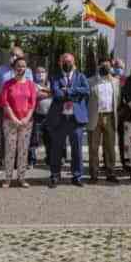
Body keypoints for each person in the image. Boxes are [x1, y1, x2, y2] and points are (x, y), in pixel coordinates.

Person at [47, 53, 90, 188]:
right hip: (59, 119)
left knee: (77, 149)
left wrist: (69, 90)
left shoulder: (81, 76)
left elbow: (86, 91)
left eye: (69, 61)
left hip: (75, 120)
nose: (67, 63)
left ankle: (77, 176)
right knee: (56, 149)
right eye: (64, 61)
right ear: (60, 63)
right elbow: (55, 92)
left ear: (74, 62)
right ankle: (55, 175)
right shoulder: (55, 76)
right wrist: (73, 94)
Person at [0, 57, 37, 188]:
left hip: (26, 122)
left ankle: (22, 178)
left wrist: (26, 118)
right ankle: (7, 178)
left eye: (23, 66)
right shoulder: (7, 84)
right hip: (10, 121)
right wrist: (14, 118)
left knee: (23, 150)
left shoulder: (31, 84)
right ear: (14, 68)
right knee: (10, 150)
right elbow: (5, 103)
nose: (21, 68)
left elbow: (33, 104)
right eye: (18, 66)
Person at [0, 46, 32, 168]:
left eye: (17, 55)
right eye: (12, 54)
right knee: (5, 134)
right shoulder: (1, 70)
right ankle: (4, 160)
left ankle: (20, 161)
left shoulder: (28, 71)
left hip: (22, 109)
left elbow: (31, 90)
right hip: (5, 107)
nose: (14, 57)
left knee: (22, 134)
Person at [87, 57, 121, 184]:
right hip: (95, 116)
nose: (106, 67)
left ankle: (111, 172)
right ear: (98, 66)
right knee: (93, 147)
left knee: (110, 147)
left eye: (108, 65)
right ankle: (94, 174)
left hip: (110, 116)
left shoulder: (116, 82)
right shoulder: (90, 81)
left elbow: (118, 100)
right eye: (103, 65)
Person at [29, 66, 52, 168]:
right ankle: (32, 160)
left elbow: (55, 93)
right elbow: (34, 95)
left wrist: (45, 92)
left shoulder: (51, 84)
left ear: (46, 73)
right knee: (34, 139)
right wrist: (49, 93)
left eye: (43, 72)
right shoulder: (32, 85)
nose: (40, 74)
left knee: (49, 138)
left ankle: (49, 159)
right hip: (37, 115)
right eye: (38, 72)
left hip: (49, 116)